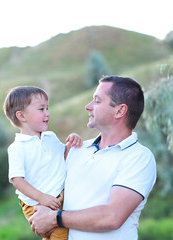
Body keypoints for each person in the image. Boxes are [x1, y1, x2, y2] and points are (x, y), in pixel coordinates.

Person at [29, 76, 157, 240]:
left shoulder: (139, 158)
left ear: (119, 111)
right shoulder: (76, 149)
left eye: (96, 101)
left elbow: (112, 216)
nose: (88, 106)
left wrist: (55, 218)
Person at [3, 86, 82, 240]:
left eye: (47, 108)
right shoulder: (17, 148)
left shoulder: (50, 137)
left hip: (59, 195)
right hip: (36, 202)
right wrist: (41, 197)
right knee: (61, 235)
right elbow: (17, 180)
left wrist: (71, 142)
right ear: (21, 116)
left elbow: (63, 157)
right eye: (41, 109)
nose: (47, 113)